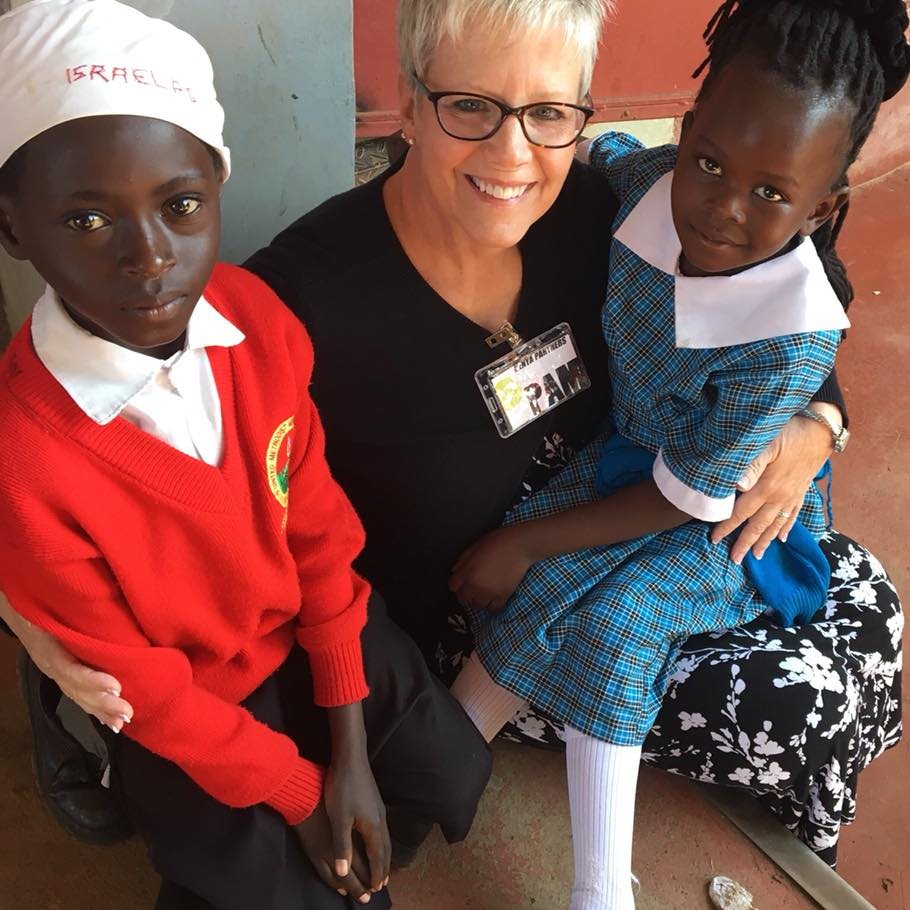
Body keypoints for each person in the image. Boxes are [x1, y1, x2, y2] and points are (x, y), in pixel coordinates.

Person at [6, 0, 902, 882]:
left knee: (869, 610)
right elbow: (140, 482)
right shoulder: (305, 298)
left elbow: (780, 276)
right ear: (408, 98)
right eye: (470, 106)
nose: (512, 154)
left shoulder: (600, 205)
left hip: (627, 527)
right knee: (804, 710)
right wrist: (31, 618)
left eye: (547, 112)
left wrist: (815, 420)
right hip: (478, 614)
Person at [0, 2, 490, 908]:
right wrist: (305, 792)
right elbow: (147, 690)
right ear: (13, 230)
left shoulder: (254, 320)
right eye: (88, 219)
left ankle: (351, 852)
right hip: (188, 707)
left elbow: (319, 534)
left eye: (181, 205)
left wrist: (349, 753)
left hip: (304, 636)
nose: (150, 257)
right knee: (270, 877)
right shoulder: (25, 458)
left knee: (447, 770)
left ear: (217, 189)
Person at [446, 0, 910, 905]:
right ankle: (442, 761)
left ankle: (600, 890)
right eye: (710, 163)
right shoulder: (649, 187)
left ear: (823, 207)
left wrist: (528, 543)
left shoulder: (792, 339)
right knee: (534, 574)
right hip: (632, 459)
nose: (723, 209)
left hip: (729, 510)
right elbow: (603, 151)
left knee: (617, 621)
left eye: (772, 194)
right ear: (687, 132)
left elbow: (689, 497)